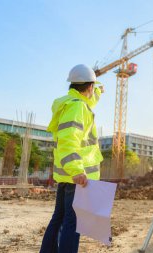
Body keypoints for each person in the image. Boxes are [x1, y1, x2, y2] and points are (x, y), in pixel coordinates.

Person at [40, 64, 104, 253]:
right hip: (76, 176)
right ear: (89, 88)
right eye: (93, 88)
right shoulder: (77, 108)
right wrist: (77, 170)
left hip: (66, 176)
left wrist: (98, 89)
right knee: (72, 224)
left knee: (59, 218)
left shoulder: (72, 103)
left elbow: (89, 102)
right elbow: (69, 140)